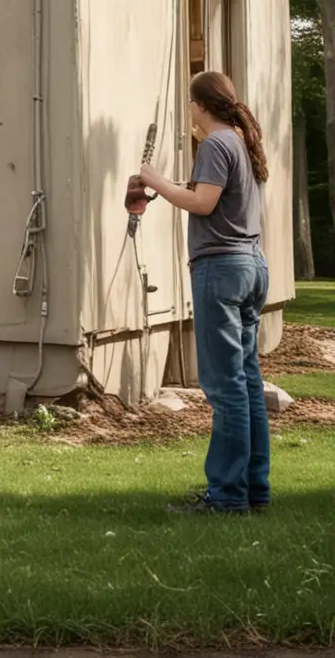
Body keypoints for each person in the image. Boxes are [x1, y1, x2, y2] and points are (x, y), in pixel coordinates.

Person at [137, 68, 270, 514]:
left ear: (199, 105)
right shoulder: (240, 141)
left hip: (222, 269)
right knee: (247, 382)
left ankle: (226, 497)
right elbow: (213, 196)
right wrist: (176, 186)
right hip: (252, 265)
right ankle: (254, 490)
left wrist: (154, 181)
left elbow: (203, 204)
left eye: (190, 103)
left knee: (225, 385)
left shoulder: (215, 143)